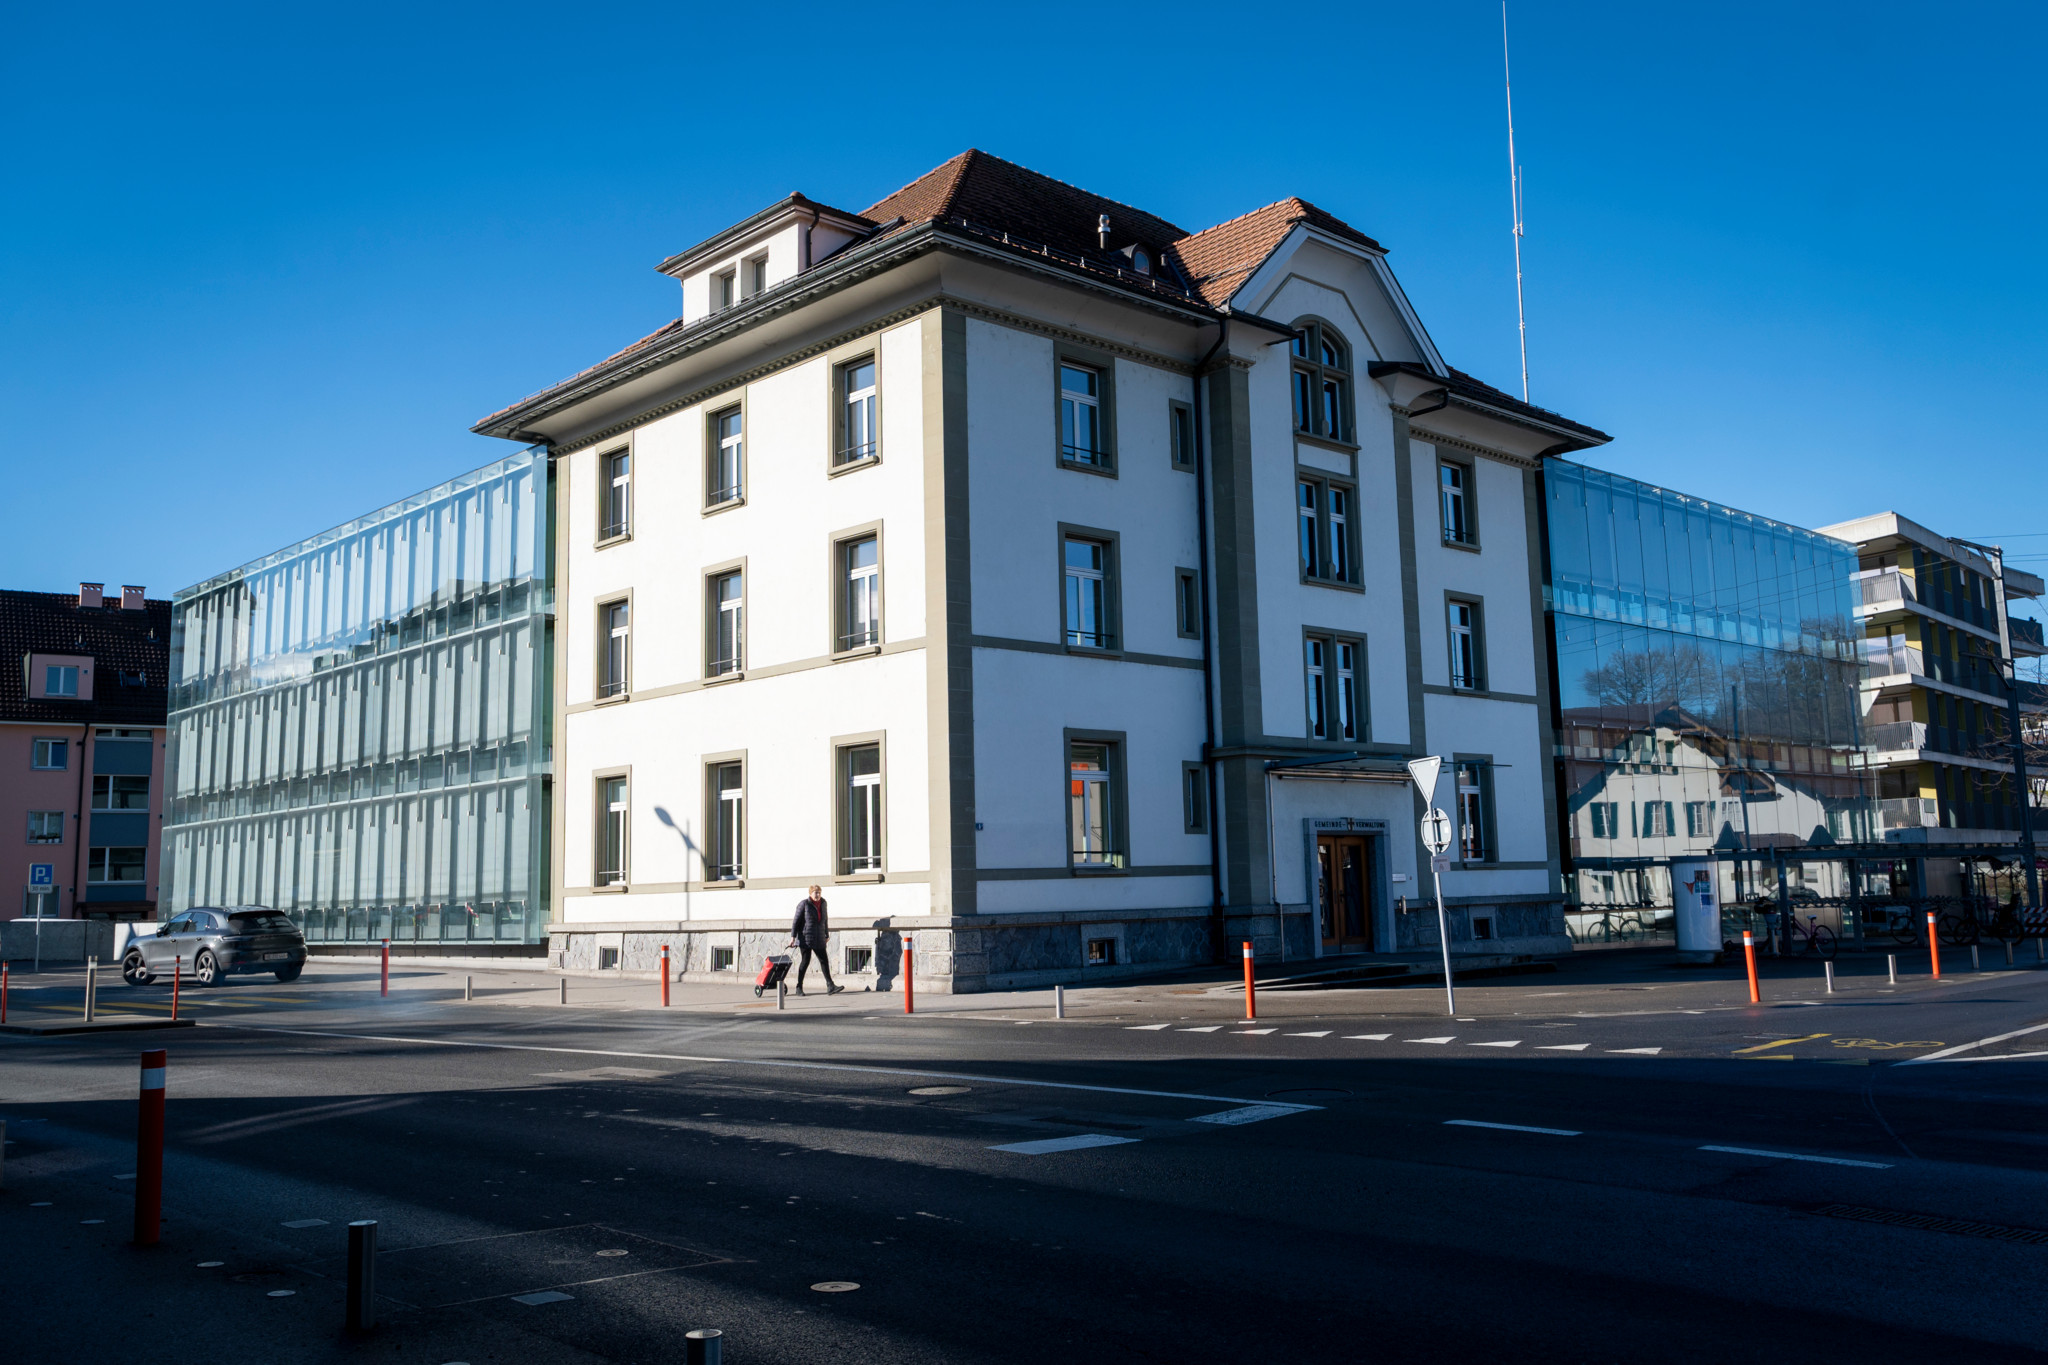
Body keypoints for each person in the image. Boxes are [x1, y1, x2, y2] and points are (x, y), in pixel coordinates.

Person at [789, 885, 843, 995]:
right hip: (806, 938)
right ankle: (799, 987)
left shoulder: (823, 903)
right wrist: (793, 937)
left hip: (819, 937)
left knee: (824, 960)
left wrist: (826, 934)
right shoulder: (804, 904)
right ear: (810, 894)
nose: (817, 895)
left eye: (819, 892)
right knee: (805, 961)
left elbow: (825, 919)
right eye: (815, 892)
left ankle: (830, 985)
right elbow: (795, 922)